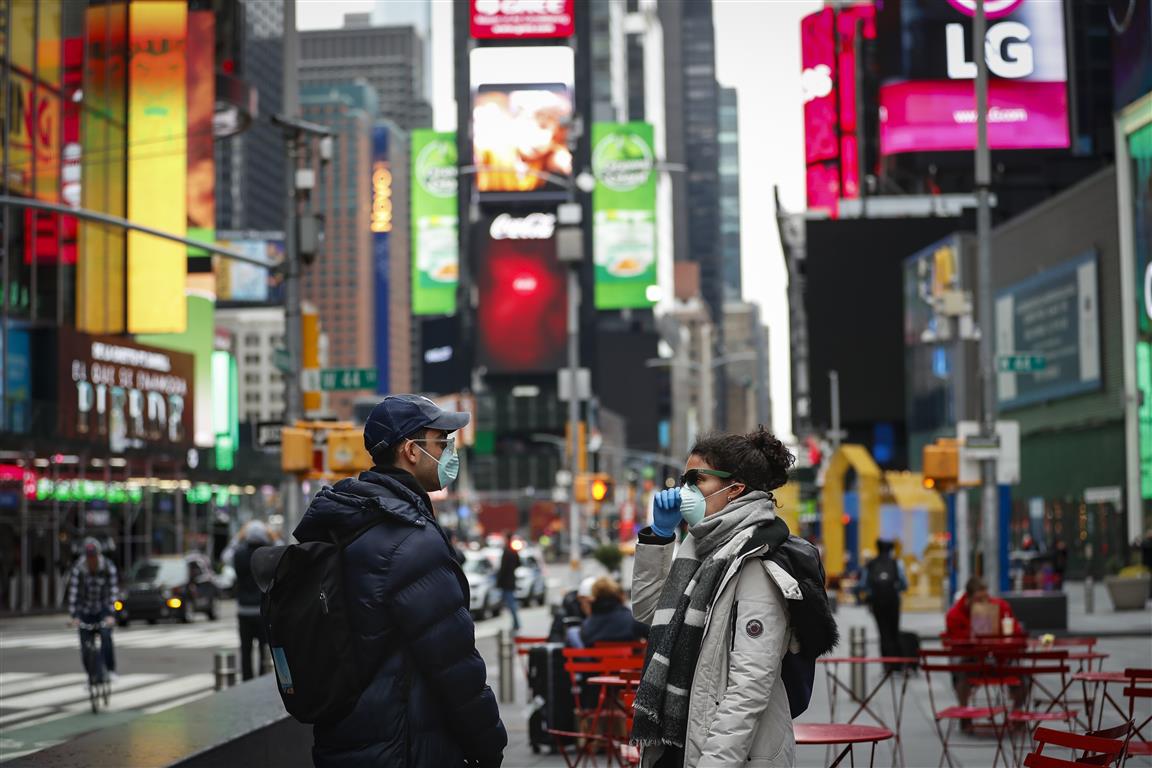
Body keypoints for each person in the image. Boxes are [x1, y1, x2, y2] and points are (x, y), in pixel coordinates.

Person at [293, 394, 507, 768]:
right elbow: (455, 665)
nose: (449, 452)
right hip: (405, 747)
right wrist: (489, 745)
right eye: (442, 442)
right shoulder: (412, 541)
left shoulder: (349, 521)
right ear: (411, 450)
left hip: (344, 742)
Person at [631, 427, 824, 768]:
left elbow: (749, 688)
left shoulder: (756, 562)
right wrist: (660, 536)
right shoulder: (700, 548)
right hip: (680, 740)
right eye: (684, 479)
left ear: (734, 489)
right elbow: (648, 610)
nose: (683, 490)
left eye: (697, 479)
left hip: (729, 754)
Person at [944, 577, 1026, 719]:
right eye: (978, 600)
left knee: (1023, 675)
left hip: (999, 658)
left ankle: (1017, 713)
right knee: (962, 672)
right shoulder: (955, 614)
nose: (983, 603)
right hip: (971, 661)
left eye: (985, 598)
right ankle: (965, 715)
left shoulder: (1001, 606)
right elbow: (956, 642)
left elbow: (1016, 630)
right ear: (968, 598)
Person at [67, 538, 119, 683]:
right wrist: (74, 616)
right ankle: (91, 676)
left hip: (103, 609)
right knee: (85, 646)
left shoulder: (108, 567)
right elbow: (73, 593)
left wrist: (111, 614)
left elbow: (113, 592)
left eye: (94, 557)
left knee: (106, 636)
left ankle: (110, 669)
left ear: (98, 555)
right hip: (85, 610)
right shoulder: (79, 569)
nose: (92, 561)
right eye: (89, 557)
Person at [233, 520, 272, 681]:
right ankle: (262, 679)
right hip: (263, 610)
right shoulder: (268, 553)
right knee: (265, 648)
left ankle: (247, 680)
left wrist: (238, 537)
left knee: (246, 650)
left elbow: (226, 554)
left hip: (244, 610)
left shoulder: (238, 554)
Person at [859, 539, 907, 667]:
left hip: (877, 602)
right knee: (894, 630)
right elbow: (904, 584)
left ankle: (886, 664)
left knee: (883, 631)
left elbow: (863, 584)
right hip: (893, 601)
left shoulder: (871, 564)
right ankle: (897, 663)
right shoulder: (897, 563)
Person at [580, 576, 649, 647]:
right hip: (630, 657)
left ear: (595, 596)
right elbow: (651, 634)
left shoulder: (586, 626)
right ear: (617, 593)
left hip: (600, 657)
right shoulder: (632, 620)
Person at [548, 575, 596, 642]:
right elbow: (555, 637)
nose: (592, 605)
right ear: (579, 598)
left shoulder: (602, 613)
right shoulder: (564, 614)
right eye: (588, 601)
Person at [497, 532, 521, 632]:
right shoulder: (513, 550)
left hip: (506, 582)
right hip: (510, 580)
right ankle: (514, 623)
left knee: (510, 603)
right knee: (509, 603)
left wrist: (499, 580)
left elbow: (503, 568)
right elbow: (518, 563)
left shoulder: (507, 551)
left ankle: (516, 623)